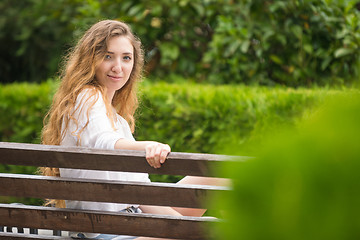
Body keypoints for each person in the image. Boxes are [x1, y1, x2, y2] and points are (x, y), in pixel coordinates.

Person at [41, 19, 227, 240]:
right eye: (108, 56)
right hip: (106, 232)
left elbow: (140, 195)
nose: (118, 67)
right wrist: (148, 145)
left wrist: (184, 225)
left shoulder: (117, 121)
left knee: (221, 173)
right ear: (90, 59)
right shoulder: (86, 97)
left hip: (133, 222)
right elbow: (104, 144)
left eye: (126, 58)